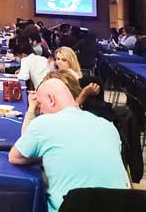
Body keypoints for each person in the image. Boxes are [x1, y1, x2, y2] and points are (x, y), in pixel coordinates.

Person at [10, 78, 128, 212]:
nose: (41, 111)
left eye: (40, 106)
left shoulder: (45, 122)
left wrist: (45, 155)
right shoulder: (108, 127)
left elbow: (15, 157)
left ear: (51, 99)